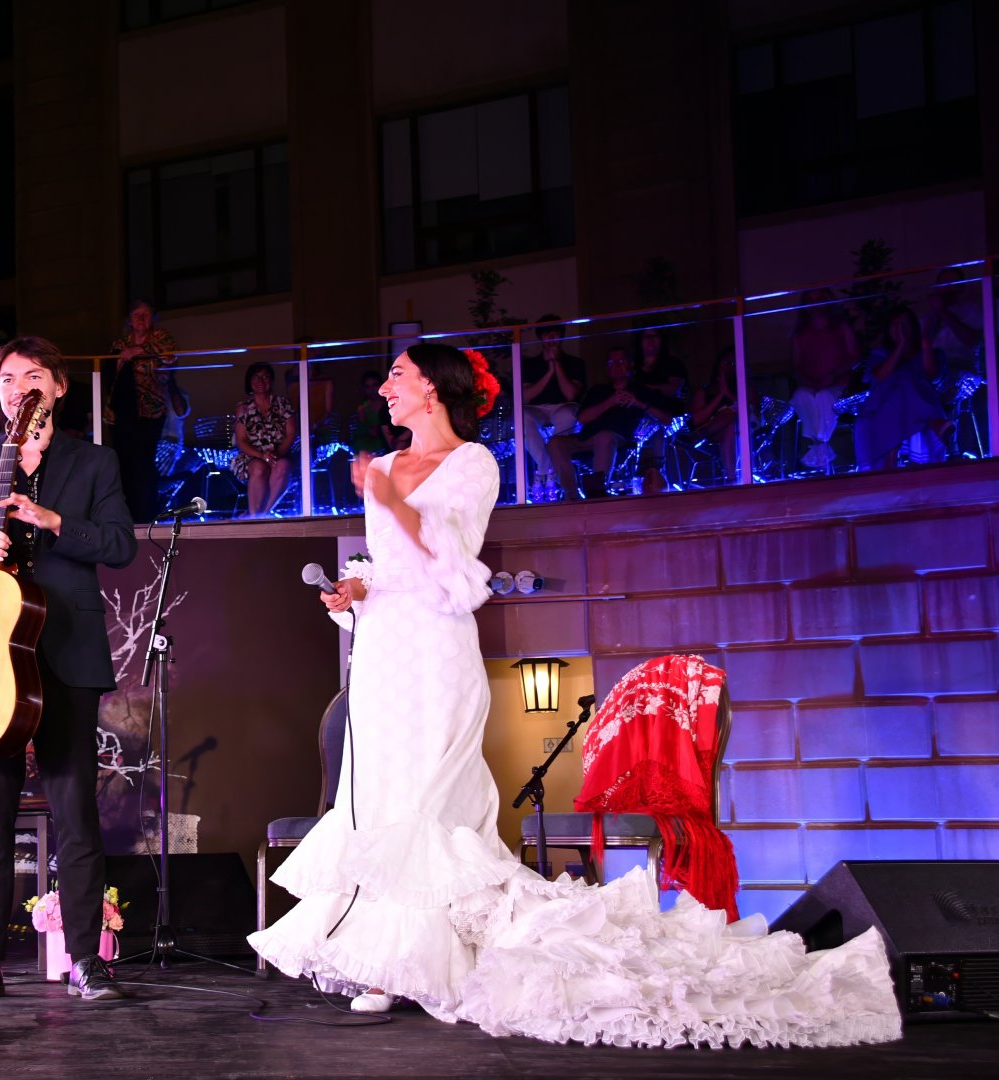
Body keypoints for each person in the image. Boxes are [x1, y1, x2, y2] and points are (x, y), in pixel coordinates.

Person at [247, 342, 901, 1047]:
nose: (384, 388)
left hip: (435, 654)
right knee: (377, 796)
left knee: (428, 798)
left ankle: (423, 959)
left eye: (398, 375)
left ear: (434, 388)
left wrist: (392, 503)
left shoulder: (472, 464)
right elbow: (395, 566)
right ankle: (386, 957)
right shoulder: (383, 468)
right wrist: (356, 589)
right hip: (380, 651)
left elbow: (454, 569)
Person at [0, 335, 138, 1003]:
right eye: (8, 376)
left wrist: (52, 521)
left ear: (59, 387)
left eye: (34, 374)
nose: (20, 385)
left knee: (75, 811)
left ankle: (86, 961)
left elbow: (121, 545)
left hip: (67, 655)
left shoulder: (94, 462)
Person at [547, 346, 675, 499]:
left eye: (620, 361)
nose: (615, 365)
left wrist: (638, 403)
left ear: (630, 364)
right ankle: (571, 494)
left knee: (604, 436)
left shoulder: (641, 391)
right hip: (586, 438)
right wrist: (611, 401)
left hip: (619, 440)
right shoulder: (598, 391)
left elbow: (667, 420)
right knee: (555, 443)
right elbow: (582, 418)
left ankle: (597, 493)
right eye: (611, 362)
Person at [854, 307, 951, 471]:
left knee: (910, 383)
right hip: (885, 406)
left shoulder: (929, 353)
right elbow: (879, 376)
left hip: (917, 402)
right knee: (903, 383)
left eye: (904, 324)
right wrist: (900, 347)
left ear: (913, 326)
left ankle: (898, 450)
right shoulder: (880, 354)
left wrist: (925, 340)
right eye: (895, 325)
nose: (900, 329)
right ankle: (934, 424)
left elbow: (932, 375)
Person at [108, 299, 178, 522]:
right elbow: (109, 369)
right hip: (121, 413)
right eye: (136, 314)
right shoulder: (120, 343)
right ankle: (126, 514)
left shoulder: (160, 338)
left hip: (151, 411)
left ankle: (146, 512)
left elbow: (171, 357)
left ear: (152, 318)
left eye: (146, 314)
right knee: (123, 463)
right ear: (129, 319)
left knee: (143, 462)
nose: (141, 319)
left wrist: (139, 351)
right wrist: (124, 356)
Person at [788, 289, 858, 470]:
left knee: (825, 397)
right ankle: (820, 446)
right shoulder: (799, 334)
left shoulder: (841, 327)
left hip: (838, 384)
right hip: (811, 384)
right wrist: (809, 381)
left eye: (819, 299)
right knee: (800, 396)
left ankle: (819, 444)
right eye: (811, 300)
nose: (815, 304)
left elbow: (854, 356)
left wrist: (833, 376)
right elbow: (796, 366)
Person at [518, 318, 585, 492]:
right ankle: (548, 467)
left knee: (568, 415)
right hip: (537, 409)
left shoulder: (574, 363)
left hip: (564, 406)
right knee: (521, 417)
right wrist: (549, 372)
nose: (552, 338)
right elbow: (525, 397)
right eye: (548, 334)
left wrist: (557, 365)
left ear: (561, 337)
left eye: (556, 334)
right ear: (541, 338)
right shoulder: (530, 364)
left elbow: (571, 394)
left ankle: (543, 473)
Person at [232, 361, 298, 517]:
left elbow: (291, 434)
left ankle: (264, 513)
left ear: (272, 380)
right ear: (250, 381)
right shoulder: (243, 407)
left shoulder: (283, 404)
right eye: (256, 377)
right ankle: (254, 515)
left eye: (265, 377)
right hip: (251, 456)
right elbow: (241, 440)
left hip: (279, 453)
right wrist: (262, 456)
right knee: (259, 468)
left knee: (282, 465)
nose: (261, 381)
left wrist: (276, 454)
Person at [690, 348, 742, 481]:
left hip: (741, 431)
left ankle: (731, 475)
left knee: (730, 419)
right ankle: (731, 476)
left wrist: (728, 394)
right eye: (726, 362)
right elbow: (696, 420)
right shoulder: (704, 391)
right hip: (711, 430)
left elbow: (748, 410)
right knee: (728, 422)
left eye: (732, 363)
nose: (728, 367)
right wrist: (720, 396)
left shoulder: (742, 389)